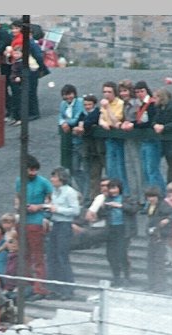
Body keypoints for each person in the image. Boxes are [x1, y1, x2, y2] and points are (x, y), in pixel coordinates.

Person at [15, 155, 53, 300]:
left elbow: (52, 202)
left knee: (38, 256)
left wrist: (39, 207)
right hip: (22, 221)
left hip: (36, 222)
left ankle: (40, 287)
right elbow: (17, 197)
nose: (33, 173)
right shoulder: (19, 181)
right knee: (23, 255)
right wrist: (18, 206)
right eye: (30, 170)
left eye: (35, 170)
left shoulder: (44, 182)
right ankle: (27, 286)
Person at [45, 167, 80, 300]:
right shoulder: (54, 192)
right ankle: (54, 288)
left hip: (64, 225)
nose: (52, 179)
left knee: (62, 256)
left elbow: (75, 210)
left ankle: (68, 289)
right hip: (55, 224)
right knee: (52, 256)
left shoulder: (70, 192)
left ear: (61, 178)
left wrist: (58, 209)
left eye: (54, 177)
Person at [97, 178, 136, 286]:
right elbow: (100, 215)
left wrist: (121, 206)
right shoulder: (107, 199)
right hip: (111, 229)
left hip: (123, 229)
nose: (112, 191)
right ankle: (116, 277)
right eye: (110, 189)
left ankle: (127, 277)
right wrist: (102, 207)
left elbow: (134, 209)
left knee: (122, 254)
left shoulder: (126, 198)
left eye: (114, 188)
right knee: (111, 255)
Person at [142, 186, 172, 292]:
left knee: (159, 261)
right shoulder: (150, 206)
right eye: (149, 197)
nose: (151, 199)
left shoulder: (163, 205)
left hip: (161, 236)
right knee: (150, 261)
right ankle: (151, 284)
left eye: (153, 197)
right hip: (152, 235)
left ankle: (160, 285)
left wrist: (167, 220)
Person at [76, 94, 105, 201]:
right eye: (85, 104)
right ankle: (93, 197)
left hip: (99, 147)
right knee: (93, 173)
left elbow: (89, 122)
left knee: (103, 171)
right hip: (90, 149)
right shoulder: (83, 114)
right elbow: (79, 122)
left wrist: (82, 125)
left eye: (89, 104)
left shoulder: (96, 112)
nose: (87, 106)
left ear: (94, 104)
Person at [59, 84, 87, 196]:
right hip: (71, 142)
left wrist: (66, 122)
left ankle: (88, 192)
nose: (68, 97)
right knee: (73, 169)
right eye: (66, 95)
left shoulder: (80, 102)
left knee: (85, 168)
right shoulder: (63, 104)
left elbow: (77, 118)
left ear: (74, 93)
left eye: (70, 94)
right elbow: (60, 117)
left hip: (82, 141)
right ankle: (83, 192)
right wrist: (63, 122)